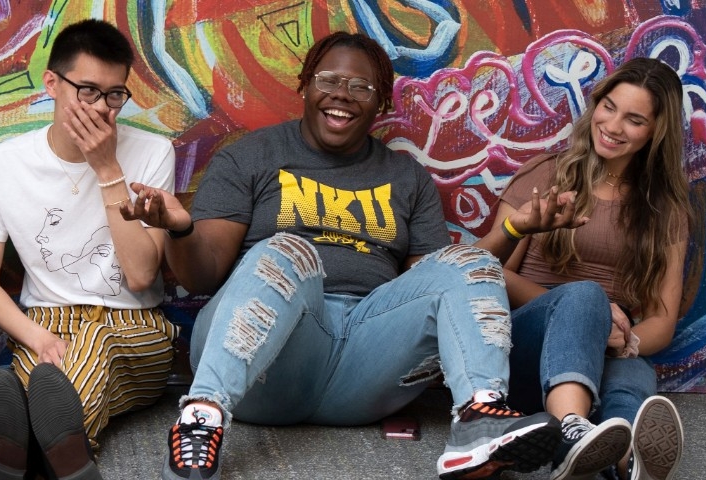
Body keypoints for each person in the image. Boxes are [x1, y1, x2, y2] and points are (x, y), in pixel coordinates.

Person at [127, 32, 588, 480]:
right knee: (289, 249)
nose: (342, 95)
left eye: (361, 87)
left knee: (472, 262)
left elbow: (441, 286)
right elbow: (204, 275)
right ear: (305, 85)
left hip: (365, 364)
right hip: (265, 364)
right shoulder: (252, 156)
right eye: (329, 81)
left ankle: (480, 420)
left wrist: (512, 231)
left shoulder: (405, 176)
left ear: (381, 103)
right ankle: (202, 418)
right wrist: (180, 229)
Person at [0, 19, 177, 480]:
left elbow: (142, 275)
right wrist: (39, 338)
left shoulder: (153, 152)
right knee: (50, 378)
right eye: (87, 91)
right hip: (43, 325)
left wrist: (107, 168)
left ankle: (21, 458)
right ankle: (60, 459)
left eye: (115, 95)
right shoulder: (3, 164)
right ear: (52, 84)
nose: (102, 109)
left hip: (133, 324)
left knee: (87, 352)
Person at [494, 57, 689, 480]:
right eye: (609, 107)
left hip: (607, 349)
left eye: (634, 119)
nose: (614, 126)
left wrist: (624, 339)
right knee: (585, 297)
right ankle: (573, 431)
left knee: (633, 370)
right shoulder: (547, 175)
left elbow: (663, 317)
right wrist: (587, 315)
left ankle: (624, 461)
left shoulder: (665, 210)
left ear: (656, 131)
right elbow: (490, 273)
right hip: (528, 350)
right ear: (595, 105)